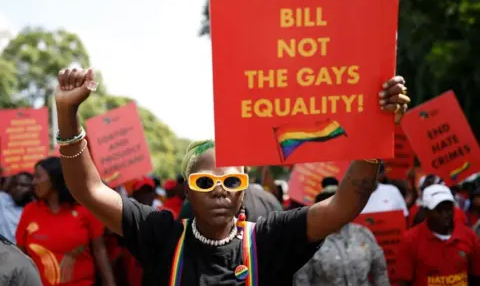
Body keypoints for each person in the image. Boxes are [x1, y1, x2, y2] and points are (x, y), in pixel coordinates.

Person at [53, 67, 409, 285]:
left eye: (231, 182)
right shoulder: (161, 236)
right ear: (188, 192)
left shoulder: (270, 240)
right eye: (205, 182)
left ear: (244, 189)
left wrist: (375, 137)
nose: (219, 191)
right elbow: (87, 189)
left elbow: (344, 206)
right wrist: (67, 112)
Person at [15, 157, 116, 286]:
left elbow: (99, 250)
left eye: (38, 177)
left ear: (55, 179)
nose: (33, 182)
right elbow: (20, 253)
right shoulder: (29, 211)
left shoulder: (84, 210)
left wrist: (110, 283)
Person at [294, 188, 389, 286]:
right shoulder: (310, 240)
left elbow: (380, 273)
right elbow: (302, 280)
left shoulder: (363, 233)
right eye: (328, 204)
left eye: (340, 203)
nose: (335, 209)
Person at [396, 184, 480, 286]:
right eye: (439, 210)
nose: (445, 214)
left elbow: (476, 275)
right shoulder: (410, 240)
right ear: (426, 211)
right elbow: (403, 281)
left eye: (449, 208)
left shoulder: (468, 236)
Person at [0, 172, 34, 242]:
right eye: (14, 185)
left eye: (23, 185)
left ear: (33, 187)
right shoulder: (3, 201)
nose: (18, 188)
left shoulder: (40, 209)